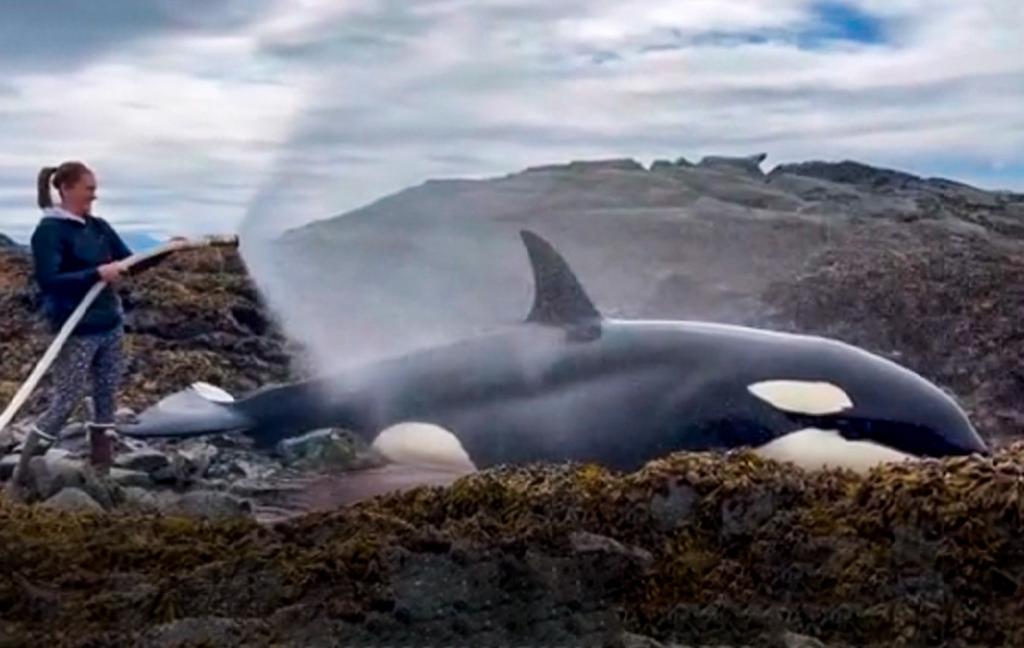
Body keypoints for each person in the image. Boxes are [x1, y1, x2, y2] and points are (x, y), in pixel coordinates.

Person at [28, 161, 132, 473]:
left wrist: (170, 249)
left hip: (110, 322)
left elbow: (130, 261)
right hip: (76, 328)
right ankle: (21, 474)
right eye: (89, 189)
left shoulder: (98, 227)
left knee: (106, 392)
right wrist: (96, 273)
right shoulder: (49, 231)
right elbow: (49, 280)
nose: (94, 196)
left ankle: (101, 468)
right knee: (66, 400)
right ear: (66, 189)